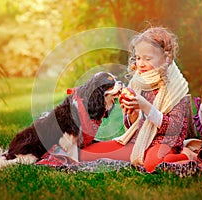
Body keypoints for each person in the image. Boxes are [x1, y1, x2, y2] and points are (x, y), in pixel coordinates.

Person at [79, 26, 192, 173]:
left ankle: (186, 156)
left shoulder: (176, 87)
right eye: (138, 57)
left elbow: (176, 127)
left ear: (166, 58)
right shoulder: (138, 82)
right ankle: (142, 156)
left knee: (153, 165)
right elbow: (132, 126)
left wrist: (146, 107)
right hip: (138, 142)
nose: (141, 63)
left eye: (147, 58)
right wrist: (132, 115)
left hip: (164, 143)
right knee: (85, 154)